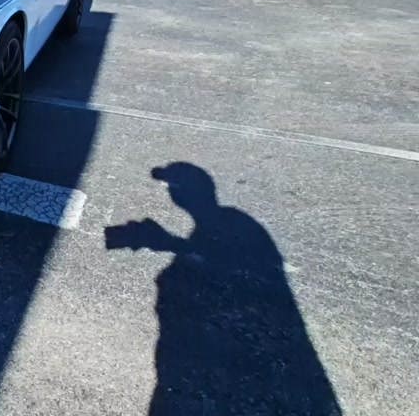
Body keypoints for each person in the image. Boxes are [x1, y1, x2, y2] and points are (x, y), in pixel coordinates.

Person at [105, 162, 342, 415]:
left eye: (174, 187)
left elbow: (230, 262)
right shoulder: (233, 221)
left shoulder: (234, 223)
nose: (172, 193)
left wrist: (169, 244)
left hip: (230, 367)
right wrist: (171, 243)